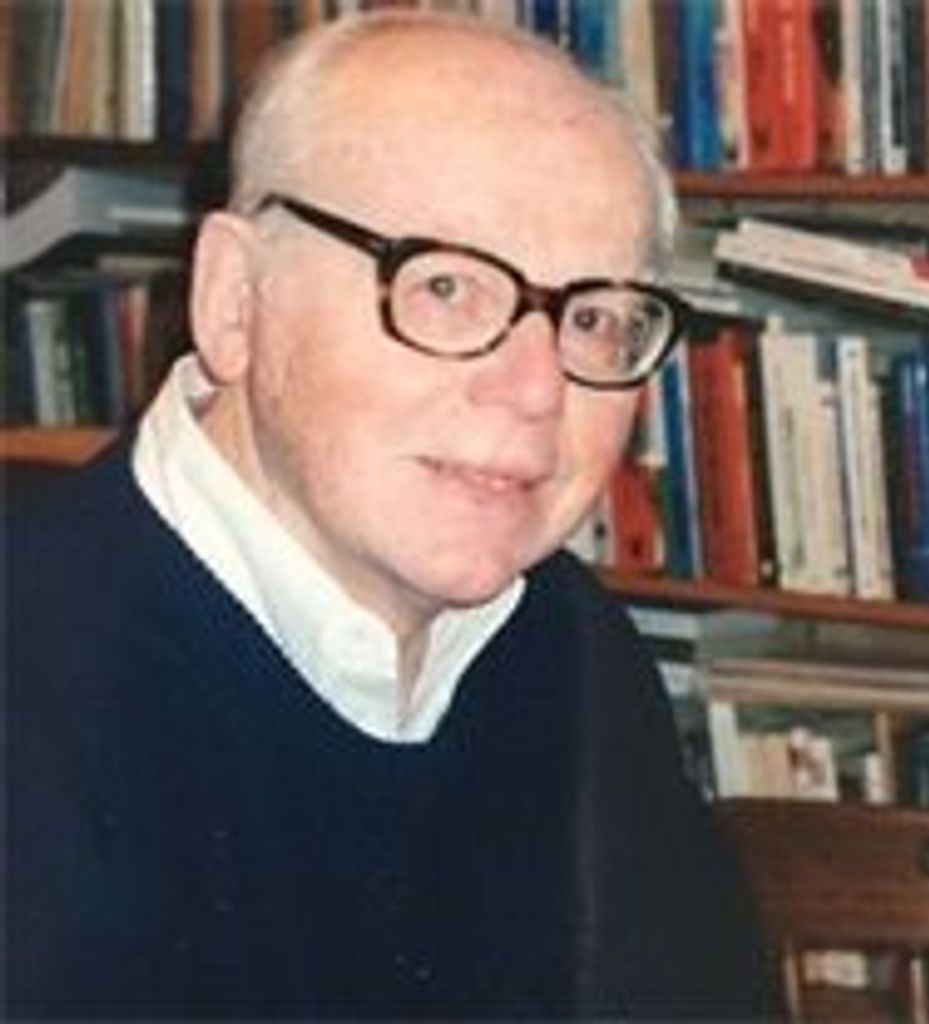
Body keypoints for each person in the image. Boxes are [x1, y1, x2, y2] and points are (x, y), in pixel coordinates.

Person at [6, 10, 775, 1020]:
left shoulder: (574, 646)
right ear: (234, 299)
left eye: (593, 318)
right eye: (447, 286)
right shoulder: (33, 677)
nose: (536, 389)